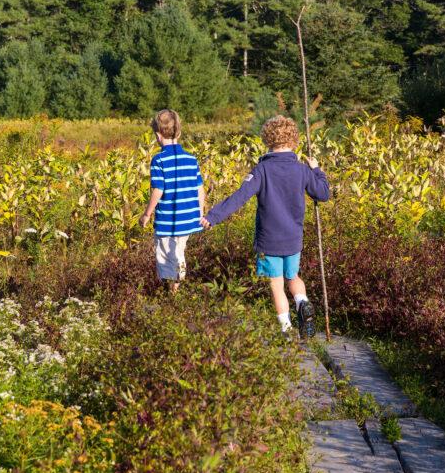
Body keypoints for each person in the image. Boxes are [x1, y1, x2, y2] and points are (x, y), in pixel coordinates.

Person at [200, 115, 330, 337]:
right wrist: (317, 170)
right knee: (293, 277)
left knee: (276, 284)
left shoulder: (261, 171)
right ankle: (301, 301)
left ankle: (286, 329)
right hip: (293, 238)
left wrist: (213, 216)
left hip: (269, 239)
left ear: (267, 140)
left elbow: (239, 197)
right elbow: (323, 193)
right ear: (294, 141)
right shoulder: (302, 169)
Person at [138, 109, 205, 292]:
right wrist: (200, 213)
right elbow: (200, 189)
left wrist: (146, 214)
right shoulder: (191, 159)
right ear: (180, 132)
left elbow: (158, 189)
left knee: (166, 258)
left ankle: (172, 295)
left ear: (158, 135)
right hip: (188, 219)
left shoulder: (159, 160)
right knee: (178, 253)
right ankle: (176, 291)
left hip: (168, 220)